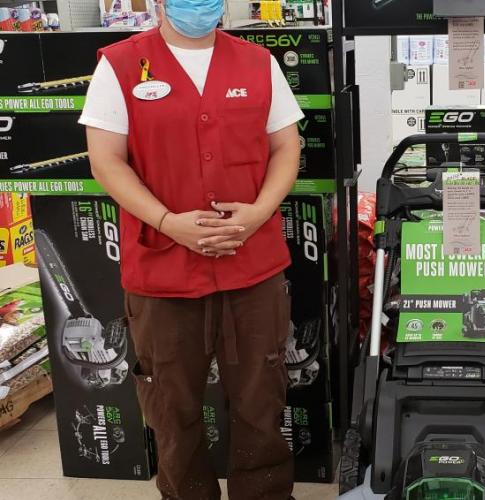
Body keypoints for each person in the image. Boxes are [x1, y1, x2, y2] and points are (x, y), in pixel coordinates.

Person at [79, 0, 303, 497]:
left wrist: (260, 211)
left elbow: (287, 146)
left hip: (253, 267)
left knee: (261, 403)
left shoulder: (257, 62)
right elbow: (106, 161)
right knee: (171, 410)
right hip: (163, 270)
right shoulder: (119, 65)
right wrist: (166, 222)